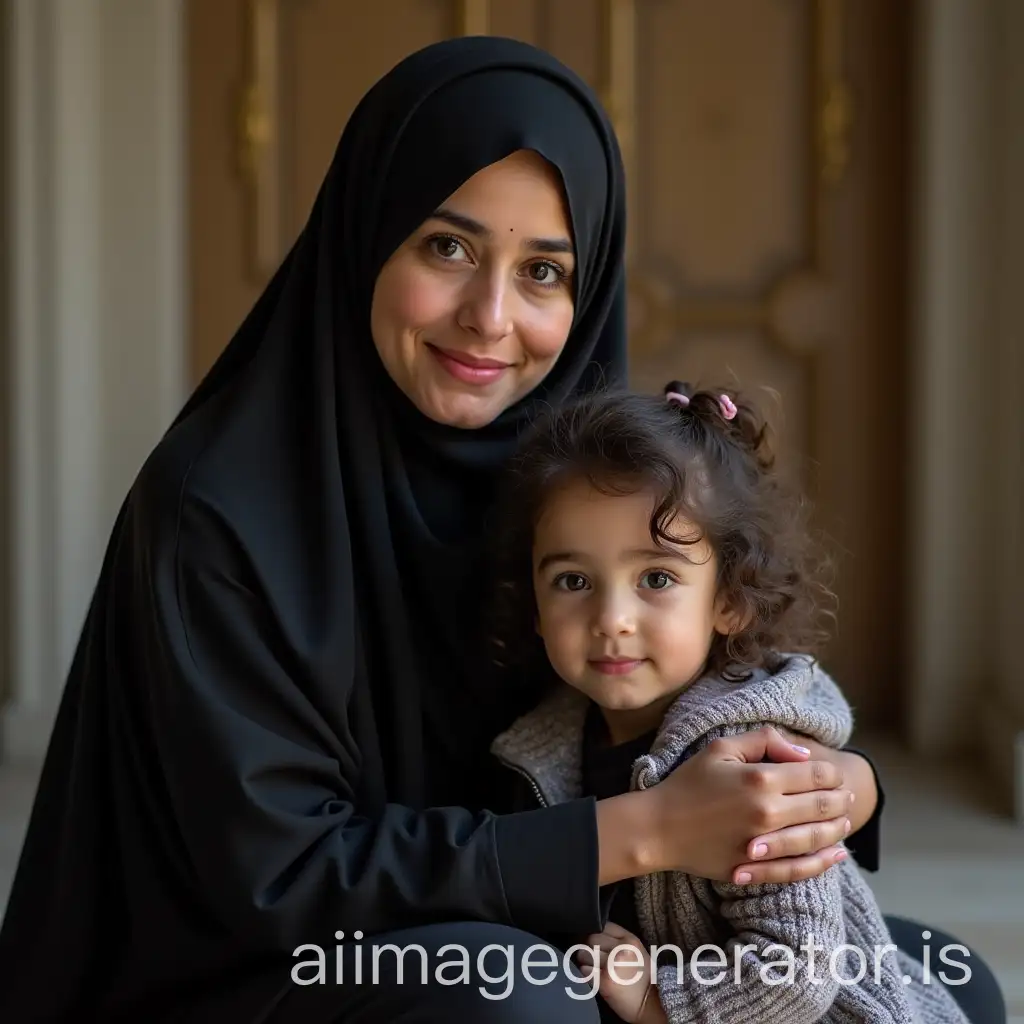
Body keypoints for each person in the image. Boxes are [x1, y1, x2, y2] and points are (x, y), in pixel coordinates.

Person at [0, 38, 894, 1023]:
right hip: (271, 969)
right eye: (448, 248)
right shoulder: (215, 514)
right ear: (368, 233)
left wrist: (834, 793)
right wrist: (635, 835)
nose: (489, 317)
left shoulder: (572, 495)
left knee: (921, 985)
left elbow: (669, 717)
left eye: (544, 271)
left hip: (537, 926)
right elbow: (283, 879)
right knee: (519, 999)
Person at [487, 382, 994, 1023]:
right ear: (535, 607)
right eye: (574, 581)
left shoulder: (752, 763)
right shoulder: (537, 750)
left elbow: (797, 973)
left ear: (727, 601)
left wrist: (652, 1002)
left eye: (657, 578)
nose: (612, 618)